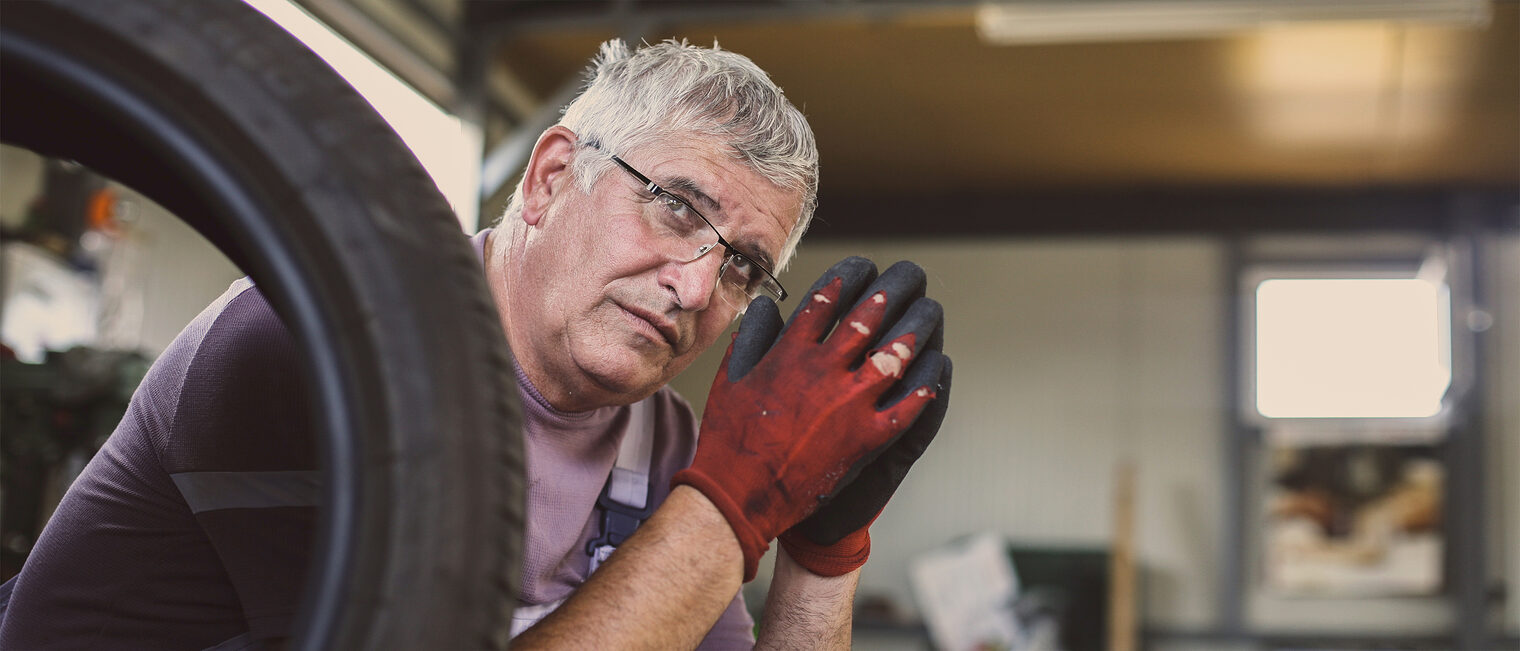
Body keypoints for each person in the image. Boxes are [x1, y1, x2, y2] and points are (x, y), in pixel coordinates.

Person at [0, 39, 951, 650]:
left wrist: (824, 550)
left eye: (743, 264)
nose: (698, 286)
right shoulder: (305, 353)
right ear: (549, 180)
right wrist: (733, 506)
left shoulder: (659, 441)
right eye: (672, 206)